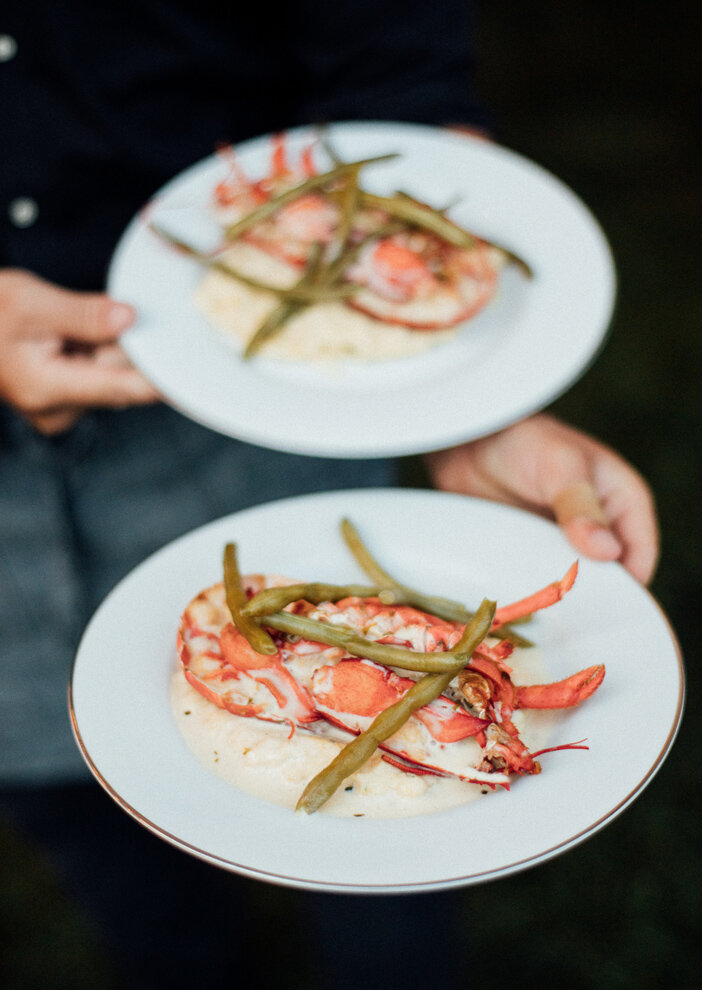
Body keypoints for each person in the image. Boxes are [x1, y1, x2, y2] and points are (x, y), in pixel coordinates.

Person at [0, 5, 660, 985]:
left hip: (265, 428)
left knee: (390, 875)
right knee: (89, 834)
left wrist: (471, 400)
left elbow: (395, 65)